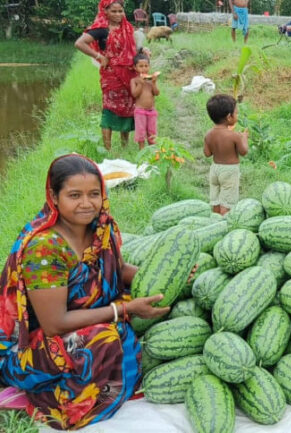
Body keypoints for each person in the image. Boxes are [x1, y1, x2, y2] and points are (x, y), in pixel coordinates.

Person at [0, 154, 170, 430]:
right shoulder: (44, 248)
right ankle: (52, 399)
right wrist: (124, 310)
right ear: (54, 197)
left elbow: (118, 269)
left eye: (94, 194)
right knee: (104, 337)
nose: (86, 204)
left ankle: (111, 378)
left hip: (83, 319)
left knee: (126, 324)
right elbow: (55, 324)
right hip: (35, 345)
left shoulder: (101, 229)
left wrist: (166, 275)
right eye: (74, 195)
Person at [74, 1, 145, 150]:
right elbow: (80, 43)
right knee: (109, 110)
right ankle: (107, 149)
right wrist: (99, 57)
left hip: (129, 74)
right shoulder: (101, 29)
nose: (118, 15)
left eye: (120, 11)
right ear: (105, 11)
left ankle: (124, 146)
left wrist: (143, 52)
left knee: (127, 108)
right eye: (114, 11)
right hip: (111, 77)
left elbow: (132, 49)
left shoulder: (126, 27)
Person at [203, 94, 248, 215]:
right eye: (236, 113)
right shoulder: (234, 136)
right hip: (230, 171)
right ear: (229, 117)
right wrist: (244, 138)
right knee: (227, 202)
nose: (237, 115)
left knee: (216, 200)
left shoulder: (208, 134)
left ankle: (215, 219)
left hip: (214, 170)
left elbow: (207, 153)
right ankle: (224, 223)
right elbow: (244, 152)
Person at [130, 53, 160, 149]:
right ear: (135, 67)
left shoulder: (151, 80)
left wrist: (154, 83)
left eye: (146, 66)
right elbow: (134, 94)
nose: (144, 68)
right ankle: (142, 152)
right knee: (141, 133)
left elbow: (156, 93)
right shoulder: (134, 80)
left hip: (151, 111)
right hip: (140, 112)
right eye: (141, 66)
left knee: (152, 133)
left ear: (149, 66)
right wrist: (140, 84)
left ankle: (153, 152)